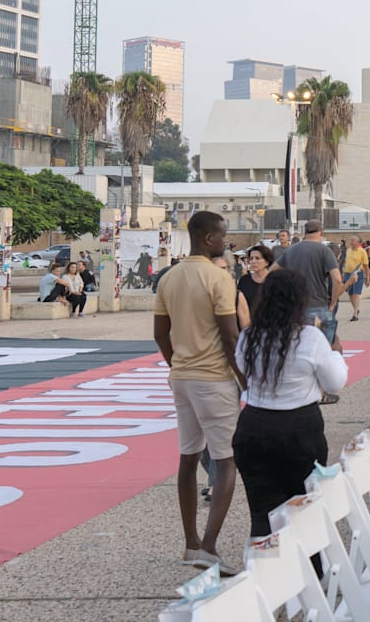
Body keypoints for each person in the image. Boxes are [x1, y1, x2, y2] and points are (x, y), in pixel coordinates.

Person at [153, 211, 242, 576]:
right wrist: (247, 379)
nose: (225, 241)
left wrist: (177, 363)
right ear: (208, 238)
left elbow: (160, 333)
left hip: (183, 378)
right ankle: (209, 546)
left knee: (188, 458)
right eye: (222, 236)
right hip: (215, 379)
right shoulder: (218, 278)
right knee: (226, 461)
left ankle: (190, 544)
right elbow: (231, 336)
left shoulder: (169, 278)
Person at [231, 268, 348, 545]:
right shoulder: (309, 336)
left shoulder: (249, 336)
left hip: (254, 425)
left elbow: (241, 367)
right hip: (299, 427)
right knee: (304, 507)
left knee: (261, 512)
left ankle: (263, 572)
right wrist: (337, 357)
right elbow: (334, 383)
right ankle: (309, 573)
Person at [277, 220, 347, 351]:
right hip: (317, 305)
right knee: (324, 349)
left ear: (305, 232)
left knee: (297, 348)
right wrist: (333, 302)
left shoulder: (291, 250)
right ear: (321, 232)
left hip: (293, 307)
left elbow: (271, 272)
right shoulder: (324, 251)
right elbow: (337, 280)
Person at [236, 245, 273, 317]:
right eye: (251, 258)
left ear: (267, 262)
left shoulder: (275, 281)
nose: (253, 261)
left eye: (257, 258)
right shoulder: (244, 281)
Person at [340, 236, 370, 321]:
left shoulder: (362, 252)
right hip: (347, 273)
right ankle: (356, 309)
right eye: (351, 240)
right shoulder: (348, 250)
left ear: (358, 243)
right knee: (350, 294)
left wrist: (367, 278)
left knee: (356, 293)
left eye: (353, 240)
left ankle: (355, 314)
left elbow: (366, 265)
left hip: (357, 273)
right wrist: (343, 273)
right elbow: (346, 262)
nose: (351, 242)